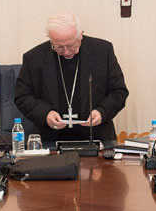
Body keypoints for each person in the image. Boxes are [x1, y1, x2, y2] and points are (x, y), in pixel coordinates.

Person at [14, 13, 128, 143]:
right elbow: (22, 97)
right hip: (50, 139)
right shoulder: (34, 58)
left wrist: (102, 112)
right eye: (59, 47)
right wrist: (45, 114)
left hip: (96, 137)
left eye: (71, 45)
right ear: (50, 39)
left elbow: (119, 91)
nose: (66, 52)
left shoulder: (103, 51)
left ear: (81, 35)